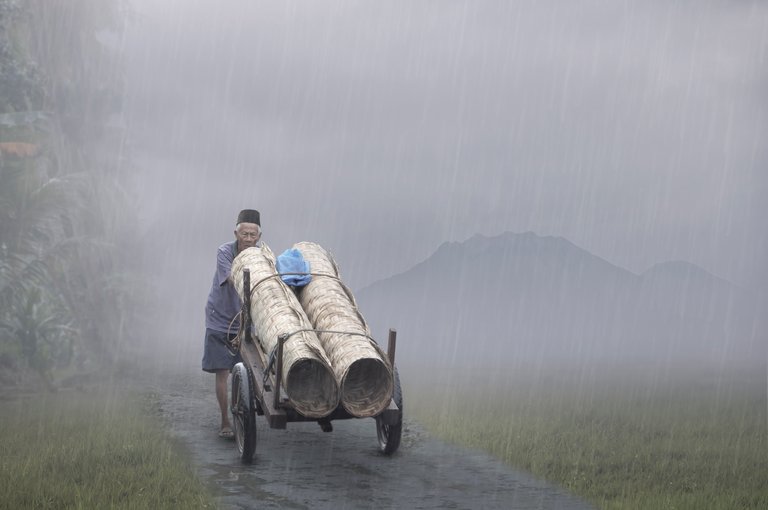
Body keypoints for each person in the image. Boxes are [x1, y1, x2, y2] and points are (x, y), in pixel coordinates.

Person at [202, 209, 262, 439]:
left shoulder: (261, 254)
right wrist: (254, 275)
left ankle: (246, 412)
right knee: (223, 372)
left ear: (259, 236)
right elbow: (230, 277)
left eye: (252, 235)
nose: (248, 239)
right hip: (220, 319)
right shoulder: (225, 252)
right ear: (236, 233)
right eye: (244, 234)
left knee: (250, 371)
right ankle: (225, 421)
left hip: (246, 321)